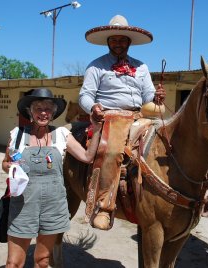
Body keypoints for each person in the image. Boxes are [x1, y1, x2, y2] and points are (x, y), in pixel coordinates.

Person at [78, 15, 166, 230]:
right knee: (112, 151)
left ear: (129, 42)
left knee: (167, 141)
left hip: (140, 115)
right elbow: (85, 95)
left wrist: (156, 98)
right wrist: (94, 107)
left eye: (122, 40)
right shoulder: (96, 66)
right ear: (108, 42)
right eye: (114, 40)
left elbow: (148, 96)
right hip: (110, 115)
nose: (118, 43)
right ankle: (104, 205)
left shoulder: (142, 67)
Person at [2, 88, 101, 268]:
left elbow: (87, 157)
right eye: (38, 108)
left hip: (53, 208)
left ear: (53, 113)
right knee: (13, 263)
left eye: (48, 109)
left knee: (43, 261)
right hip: (23, 207)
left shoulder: (61, 135)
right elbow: (5, 162)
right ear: (30, 112)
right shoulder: (17, 135)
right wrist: (8, 167)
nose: (43, 113)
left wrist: (97, 128)